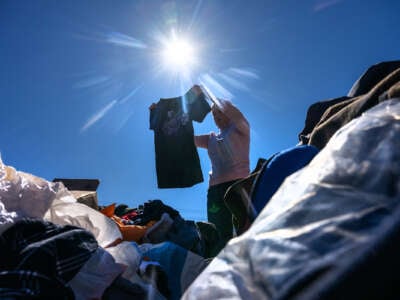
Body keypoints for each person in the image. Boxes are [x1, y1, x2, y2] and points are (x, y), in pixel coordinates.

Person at [194, 97, 250, 251]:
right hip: (215, 191)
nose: (217, 117)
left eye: (220, 112)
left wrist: (206, 93)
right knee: (217, 232)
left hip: (238, 186)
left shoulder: (240, 127)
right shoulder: (210, 138)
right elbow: (188, 140)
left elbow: (235, 113)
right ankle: (217, 264)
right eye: (214, 115)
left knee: (243, 229)